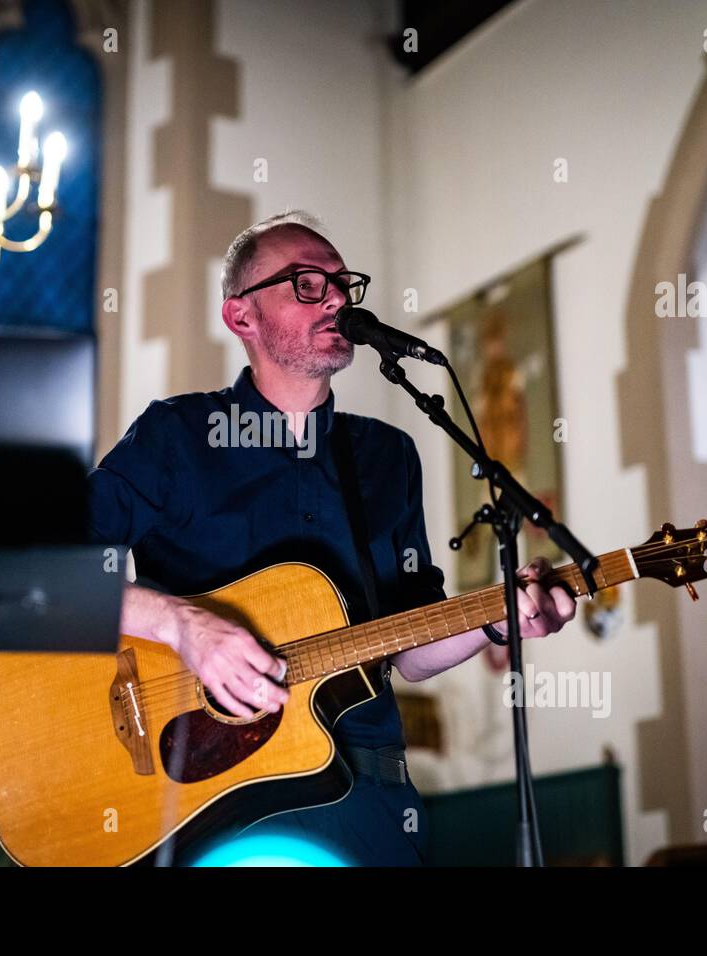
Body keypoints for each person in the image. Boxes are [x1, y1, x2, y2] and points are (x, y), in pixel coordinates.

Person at [88, 211, 576, 865]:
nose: (339, 298)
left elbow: (408, 644)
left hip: (366, 795)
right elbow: (39, 571)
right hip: (211, 801)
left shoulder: (387, 457)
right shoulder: (174, 437)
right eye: (308, 284)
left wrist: (496, 619)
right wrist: (182, 625)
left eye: (344, 283)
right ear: (242, 317)